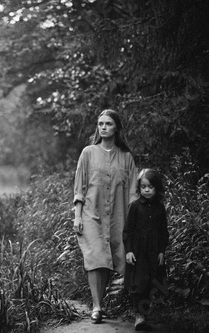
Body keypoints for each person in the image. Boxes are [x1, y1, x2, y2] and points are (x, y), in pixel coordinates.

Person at [73, 109, 138, 323]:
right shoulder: (88, 153)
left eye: (108, 123)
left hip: (119, 216)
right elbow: (80, 187)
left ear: (116, 127)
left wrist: (133, 220)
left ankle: (101, 304)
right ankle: (97, 306)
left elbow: (132, 191)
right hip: (92, 214)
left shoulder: (126, 157)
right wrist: (78, 216)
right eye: (100, 123)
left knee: (109, 257)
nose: (103, 127)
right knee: (95, 258)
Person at [123, 168, 169, 331]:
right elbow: (128, 231)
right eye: (143, 187)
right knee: (138, 283)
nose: (147, 190)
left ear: (157, 188)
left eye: (150, 186)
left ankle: (145, 313)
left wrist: (162, 251)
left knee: (152, 282)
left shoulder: (159, 208)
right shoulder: (135, 207)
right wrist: (128, 250)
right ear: (139, 188)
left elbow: (164, 231)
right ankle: (139, 315)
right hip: (138, 253)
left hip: (154, 253)